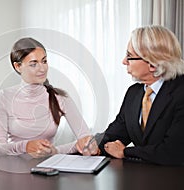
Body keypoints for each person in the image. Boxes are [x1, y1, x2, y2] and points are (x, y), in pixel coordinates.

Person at [76, 25, 184, 165]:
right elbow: (116, 134)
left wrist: (125, 152)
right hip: (141, 179)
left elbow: (173, 151)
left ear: (152, 63)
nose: (124, 61)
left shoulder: (180, 92)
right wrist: (94, 144)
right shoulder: (134, 93)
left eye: (129, 56)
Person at [0, 37, 90, 158]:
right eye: (33, 64)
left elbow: (85, 139)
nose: (42, 69)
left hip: (48, 167)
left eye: (44, 61)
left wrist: (54, 151)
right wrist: (26, 146)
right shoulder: (4, 97)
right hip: (13, 169)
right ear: (18, 66)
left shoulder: (60, 97)